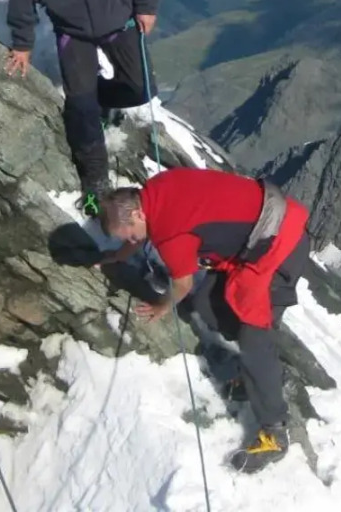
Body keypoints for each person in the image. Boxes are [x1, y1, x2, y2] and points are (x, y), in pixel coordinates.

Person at [99, 170, 311, 473]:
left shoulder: (168, 232)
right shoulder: (156, 187)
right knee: (207, 303)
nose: (133, 240)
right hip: (263, 230)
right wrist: (119, 255)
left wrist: (161, 306)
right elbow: (146, 232)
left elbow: (182, 285)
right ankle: (263, 376)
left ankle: (274, 432)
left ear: (136, 211)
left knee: (254, 337)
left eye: (130, 233)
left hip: (280, 244)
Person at [5, 0, 159, 210]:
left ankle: (101, 97)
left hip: (119, 21)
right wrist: (22, 43)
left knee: (141, 88)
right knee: (81, 105)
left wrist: (146, 5)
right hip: (72, 32)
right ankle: (96, 182)